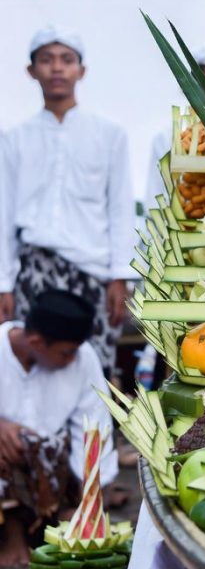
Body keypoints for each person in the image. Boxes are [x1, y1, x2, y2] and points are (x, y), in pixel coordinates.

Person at [0, 26, 136, 375]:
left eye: (66, 60)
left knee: (93, 367)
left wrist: (120, 275)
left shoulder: (109, 134)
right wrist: (4, 283)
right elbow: (3, 212)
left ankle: (92, 433)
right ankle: (31, 433)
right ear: (32, 71)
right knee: (32, 365)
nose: (57, 68)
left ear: (81, 70)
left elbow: (120, 208)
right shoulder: (14, 139)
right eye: (46, 60)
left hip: (92, 271)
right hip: (34, 269)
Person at [0, 289, 118, 564]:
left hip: (49, 468)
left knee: (48, 445)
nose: (72, 359)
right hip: (7, 462)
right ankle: (11, 536)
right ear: (36, 341)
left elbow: (94, 424)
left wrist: (90, 493)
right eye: (66, 353)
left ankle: (59, 518)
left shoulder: (82, 356)